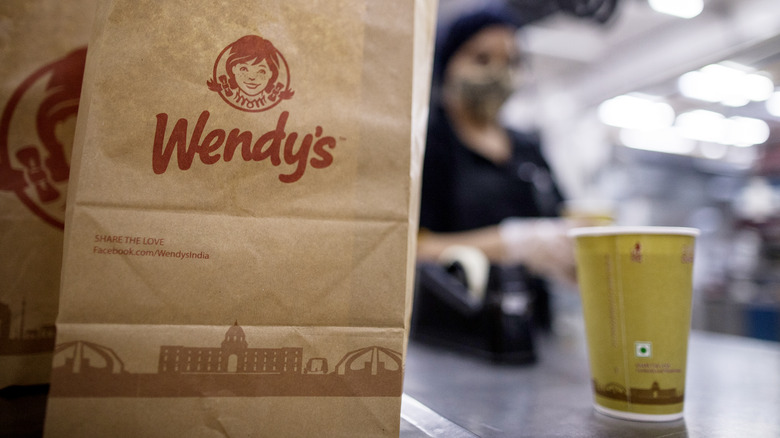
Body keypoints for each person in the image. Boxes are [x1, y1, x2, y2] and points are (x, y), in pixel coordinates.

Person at [416, 4, 579, 336]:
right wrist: (511, 244)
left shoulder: (528, 147)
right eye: (482, 58)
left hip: (532, 328)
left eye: (511, 61)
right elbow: (409, 248)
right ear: (448, 63)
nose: (498, 72)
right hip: (453, 330)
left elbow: (560, 216)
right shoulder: (428, 142)